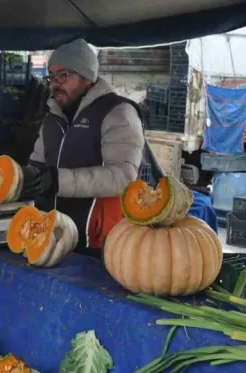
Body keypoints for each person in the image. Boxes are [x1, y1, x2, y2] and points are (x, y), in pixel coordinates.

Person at [22, 39, 148, 259]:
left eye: (64, 75)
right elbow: (37, 163)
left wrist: (57, 181)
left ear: (87, 78)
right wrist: (17, 178)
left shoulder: (118, 113)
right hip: (48, 238)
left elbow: (123, 177)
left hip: (97, 244)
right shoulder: (53, 115)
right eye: (52, 76)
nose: (55, 84)